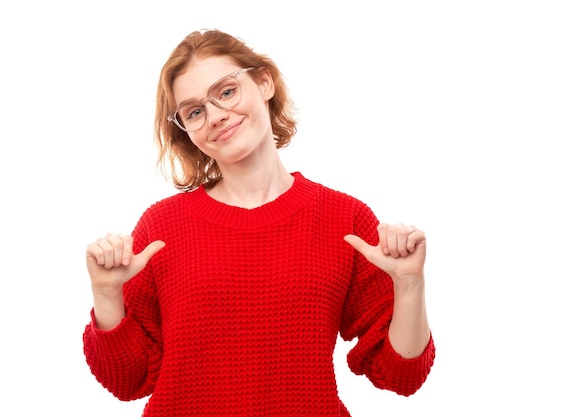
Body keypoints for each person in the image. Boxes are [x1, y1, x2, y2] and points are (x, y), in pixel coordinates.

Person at [82, 29, 435, 417]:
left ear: (264, 81)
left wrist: (409, 284)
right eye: (194, 111)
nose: (215, 115)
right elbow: (126, 381)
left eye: (227, 91)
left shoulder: (345, 219)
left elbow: (402, 377)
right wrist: (106, 295)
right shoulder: (160, 228)